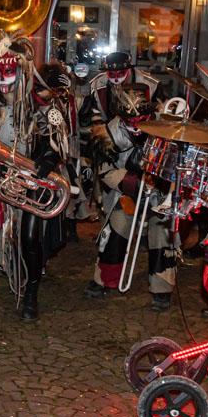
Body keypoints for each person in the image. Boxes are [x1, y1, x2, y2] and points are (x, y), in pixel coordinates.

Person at [0, 33, 66, 321]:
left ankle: (31, 294)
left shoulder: (44, 103)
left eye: (10, 71)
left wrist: (47, 159)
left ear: (22, 71)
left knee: (30, 238)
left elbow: (57, 142)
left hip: (31, 180)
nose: (3, 78)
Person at [78, 52, 175, 311]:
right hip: (125, 192)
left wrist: (158, 187)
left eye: (140, 121)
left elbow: (176, 171)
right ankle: (104, 279)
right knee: (114, 227)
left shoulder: (166, 133)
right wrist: (131, 184)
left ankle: (162, 288)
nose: (135, 127)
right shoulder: (107, 132)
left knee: (162, 232)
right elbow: (105, 170)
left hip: (158, 194)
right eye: (129, 122)